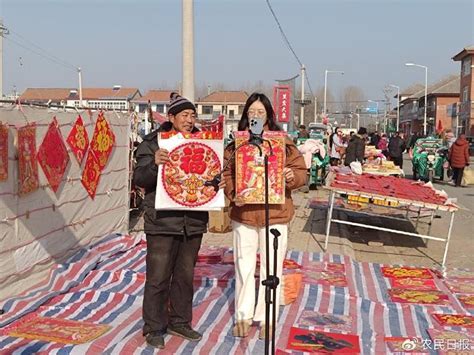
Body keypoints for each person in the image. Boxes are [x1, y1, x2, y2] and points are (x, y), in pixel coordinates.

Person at [133, 92, 224, 349]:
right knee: (158, 276)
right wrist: (154, 164)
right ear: (171, 117)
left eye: (192, 115)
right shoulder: (154, 143)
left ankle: (180, 321)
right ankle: (153, 326)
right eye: (184, 115)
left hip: (192, 221)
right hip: (162, 220)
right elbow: (139, 178)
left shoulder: (204, 143)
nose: (189, 119)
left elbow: (212, 177)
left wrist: (219, 182)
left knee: (185, 275)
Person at [222, 92, 307, 339]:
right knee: (243, 267)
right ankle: (243, 315)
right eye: (251, 113)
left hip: (276, 215)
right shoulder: (236, 144)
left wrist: (292, 177)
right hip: (244, 214)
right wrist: (233, 192)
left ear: (269, 115)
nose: (255, 117)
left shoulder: (283, 143)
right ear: (245, 116)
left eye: (260, 112)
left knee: (272, 269)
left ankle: (267, 318)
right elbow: (226, 174)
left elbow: (302, 172)